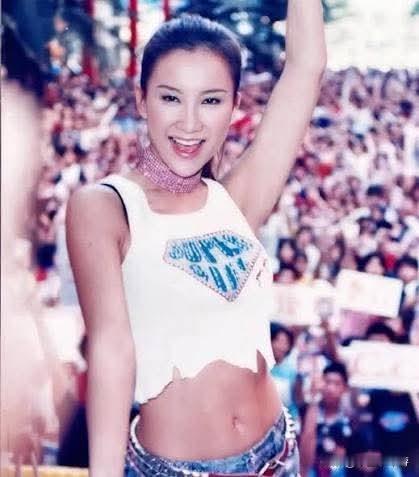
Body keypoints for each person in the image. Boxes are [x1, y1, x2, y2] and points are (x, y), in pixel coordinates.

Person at [66, 3, 326, 476]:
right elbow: (111, 351)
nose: (189, 122)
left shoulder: (236, 199)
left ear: (234, 107)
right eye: (171, 98)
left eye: (210, 100)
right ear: (141, 100)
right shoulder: (104, 207)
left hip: (279, 456)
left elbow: (306, 67)